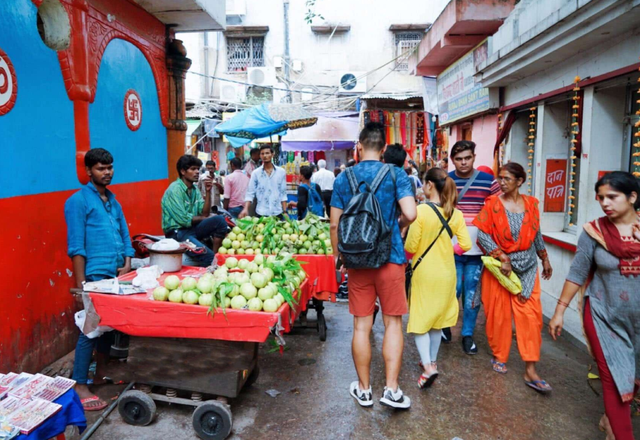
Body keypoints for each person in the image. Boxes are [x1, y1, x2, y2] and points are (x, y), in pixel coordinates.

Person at [330, 122, 417, 409]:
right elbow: (411, 213)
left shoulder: (344, 178)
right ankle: (391, 390)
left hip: (357, 261)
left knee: (361, 326)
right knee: (393, 323)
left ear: (359, 146)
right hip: (391, 258)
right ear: (383, 149)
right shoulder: (396, 174)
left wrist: (338, 258)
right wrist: (397, 227)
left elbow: (334, 224)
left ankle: (364, 390)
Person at [549, 172, 640, 440]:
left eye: (612, 197)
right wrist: (558, 312)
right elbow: (577, 272)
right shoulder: (594, 232)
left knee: (632, 374)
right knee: (613, 376)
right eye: (600, 198)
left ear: (632, 197)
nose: (605, 203)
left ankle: (609, 419)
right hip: (603, 314)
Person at [64, 148, 135, 411]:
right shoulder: (77, 202)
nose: (107, 173)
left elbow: (125, 234)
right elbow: (76, 246)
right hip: (94, 275)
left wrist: (127, 263)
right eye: (100, 168)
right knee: (90, 328)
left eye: (109, 167)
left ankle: (101, 370)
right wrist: (82, 285)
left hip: (116, 272)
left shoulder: (113, 201)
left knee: (110, 324)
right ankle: (80, 383)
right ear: (88, 172)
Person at [473, 162, 553, 392]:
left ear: (520, 181)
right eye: (499, 178)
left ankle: (531, 368)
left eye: (507, 178)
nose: (501, 182)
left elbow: (536, 232)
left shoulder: (531, 204)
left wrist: (544, 257)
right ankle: (500, 355)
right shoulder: (492, 205)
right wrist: (502, 256)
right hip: (501, 268)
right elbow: (483, 234)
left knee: (531, 316)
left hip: (527, 265)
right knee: (498, 313)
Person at [405, 168, 471, 388]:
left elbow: (412, 246)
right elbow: (467, 245)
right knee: (436, 323)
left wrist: (405, 258)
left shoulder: (420, 211)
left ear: (430, 185)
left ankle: (428, 367)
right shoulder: (456, 213)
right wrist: (449, 251)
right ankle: (432, 360)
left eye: (424, 183)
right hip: (447, 273)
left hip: (425, 274)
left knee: (420, 322)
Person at [443, 140, 500, 354]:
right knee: (452, 289)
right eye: (459, 159)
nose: (463, 162)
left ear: (474, 157)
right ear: (453, 160)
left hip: (479, 250)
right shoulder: (446, 180)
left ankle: (467, 334)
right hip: (451, 248)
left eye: (467, 157)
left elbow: (498, 211)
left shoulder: (488, 181)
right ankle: (445, 326)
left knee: (472, 294)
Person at [161, 155, 229, 267]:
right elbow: (183, 220)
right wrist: (205, 218)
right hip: (177, 233)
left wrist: (208, 192)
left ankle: (215, 255)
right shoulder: (175, 190)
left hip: (191, 229)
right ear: (183, 171)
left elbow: (205, 213)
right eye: (193, 169)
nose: (197, 172)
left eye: (198, 169)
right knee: (207, 256)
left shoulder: (194, 189)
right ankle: (211, 263)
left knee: (220, 220)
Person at [240, 145, 288, 219]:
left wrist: (285, 212)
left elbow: (283, 193)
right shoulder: (256, 173)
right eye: (262, 154)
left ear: (272, 154)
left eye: (267, 153)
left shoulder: (281, 172)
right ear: (260, 156)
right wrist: (245, 209)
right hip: (261, 213)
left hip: (277, 212)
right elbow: (250, 192)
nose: (265, 156)